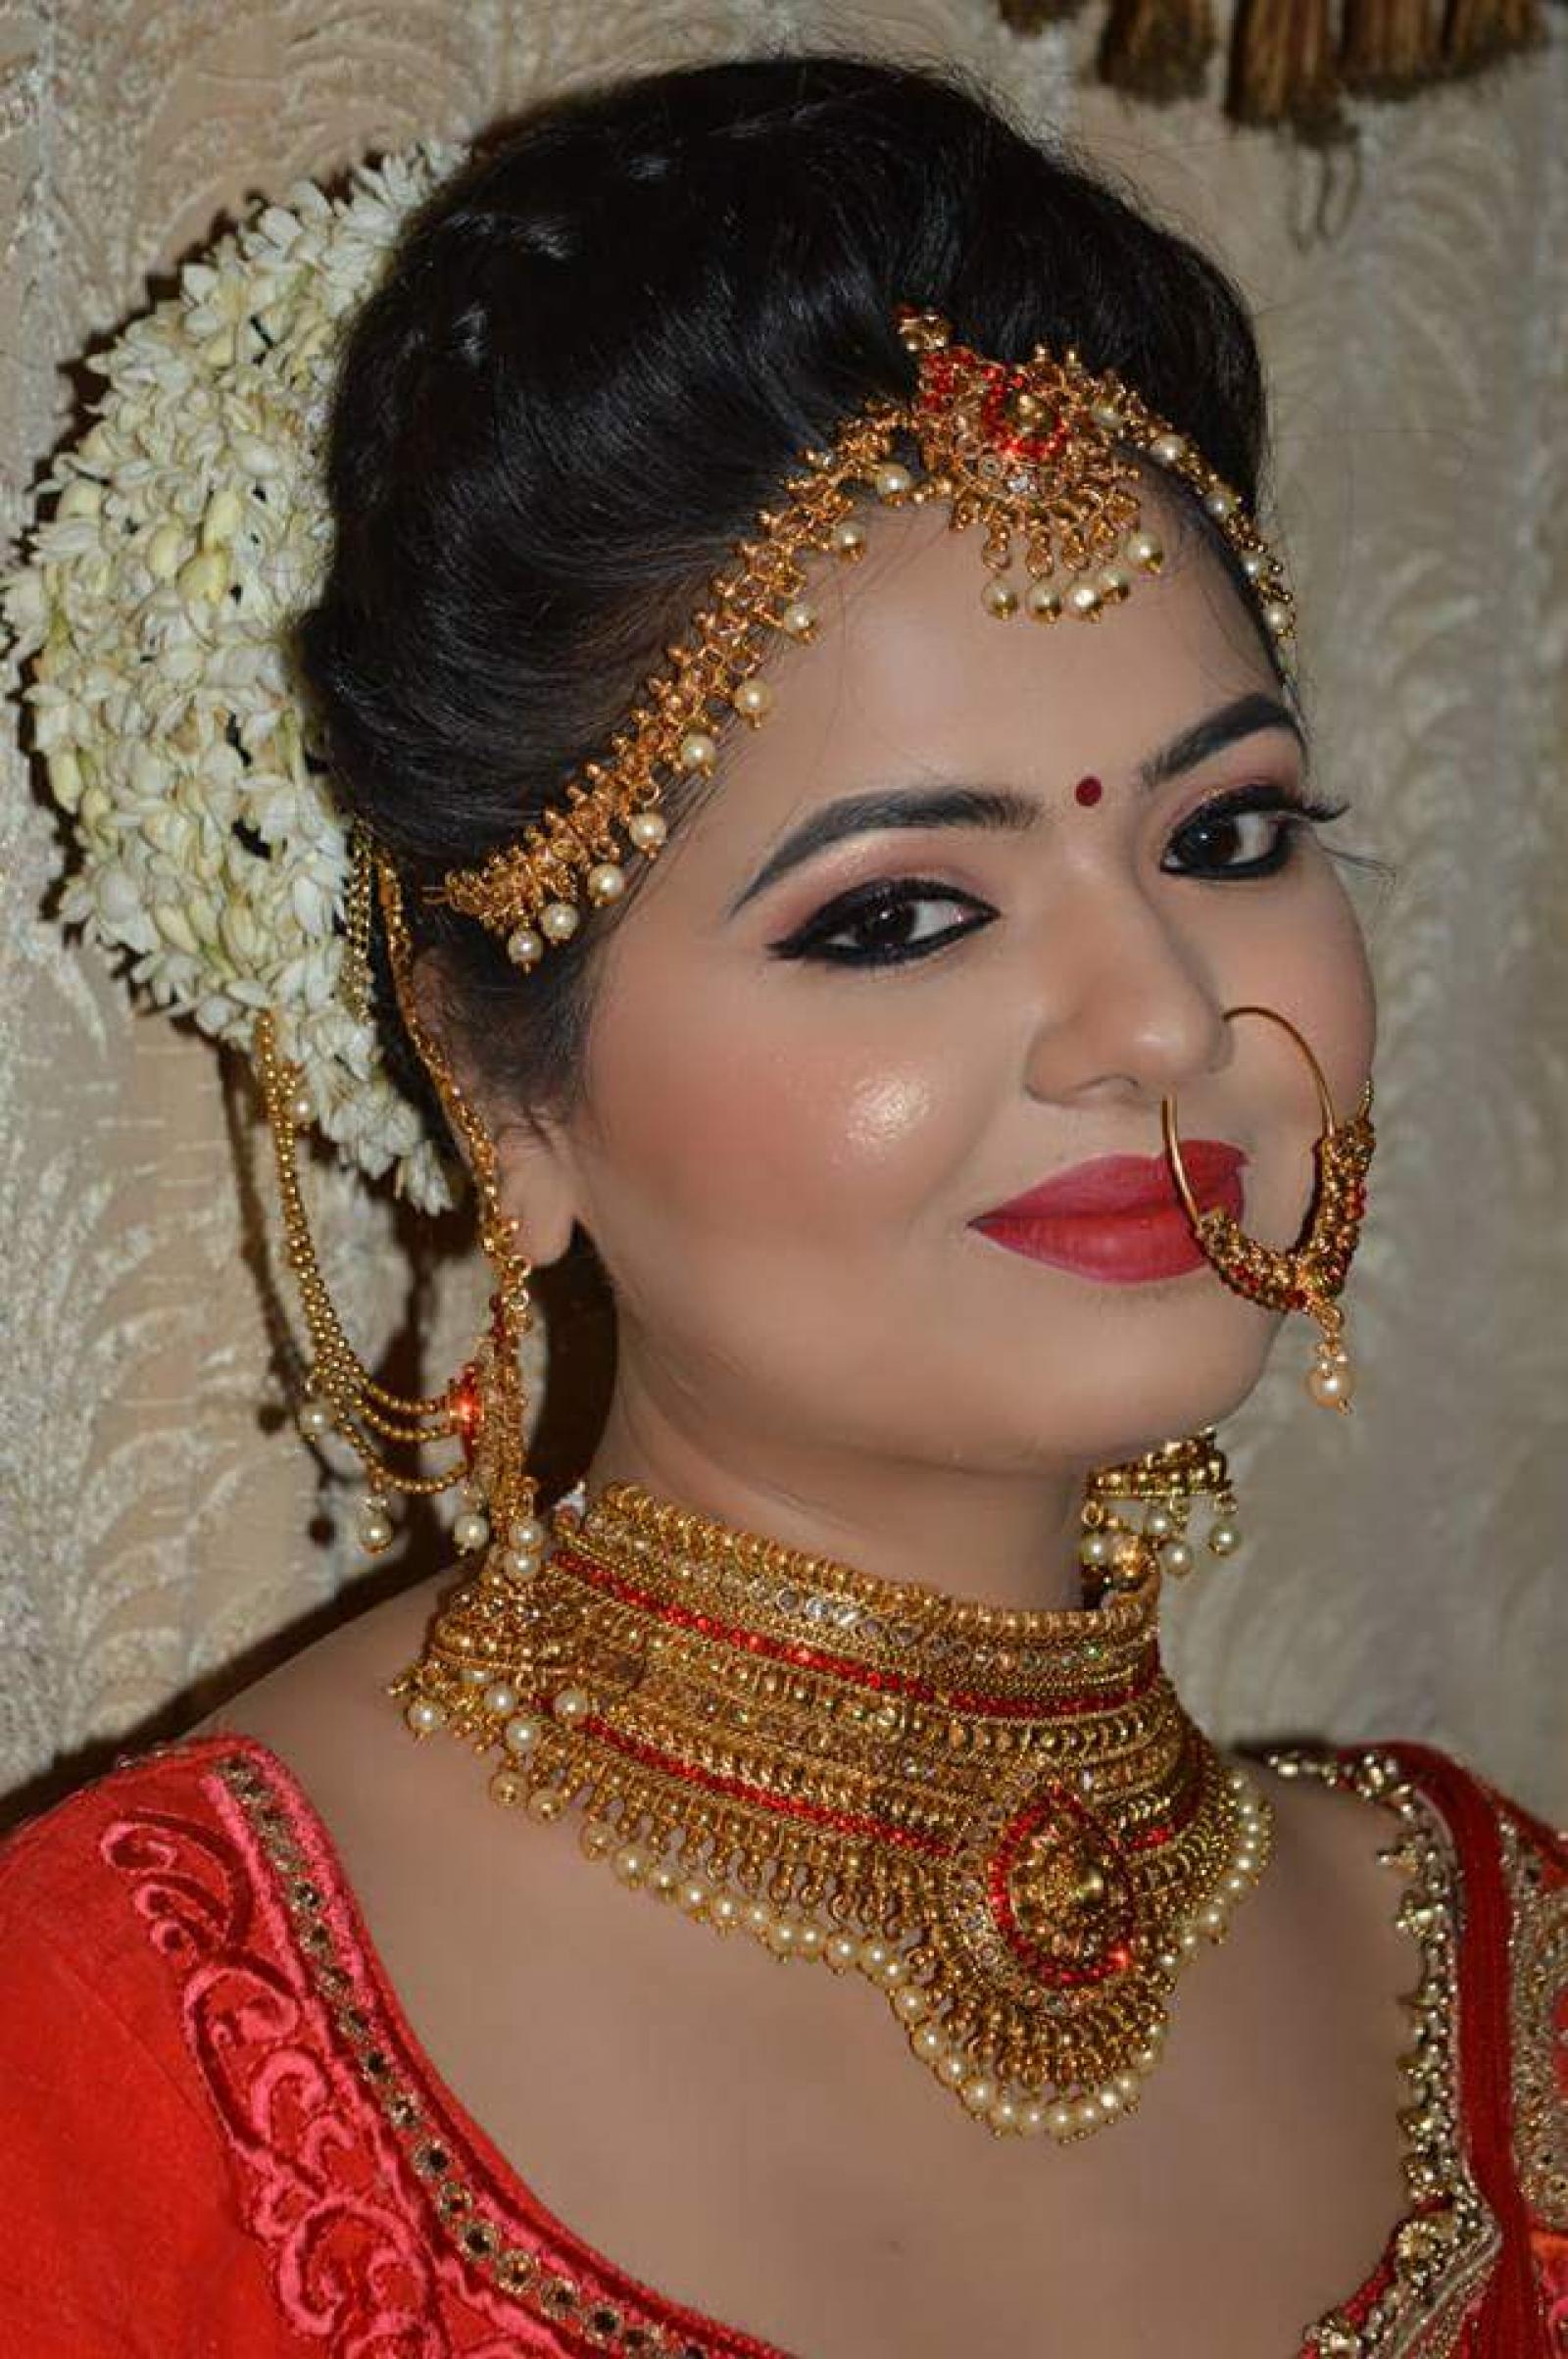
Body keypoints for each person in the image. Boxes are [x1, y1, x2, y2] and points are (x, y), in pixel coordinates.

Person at [0, 50, 1563, 2359]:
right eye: (896, 913)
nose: (1159, 1018)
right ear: (499, 1087)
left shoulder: (1499, 1977)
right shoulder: (129, 2063)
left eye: (1224, 835)